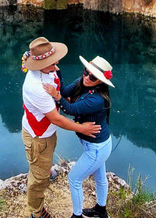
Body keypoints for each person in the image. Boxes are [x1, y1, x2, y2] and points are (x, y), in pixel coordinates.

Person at [22, 37, 102, 218]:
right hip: (38, 135)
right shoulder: (35, 87)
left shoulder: (50, 71)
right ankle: (36, 211)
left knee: (47, 152)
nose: (57, 64)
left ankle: (44, 167)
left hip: (46, 131)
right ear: (40, 64)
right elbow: (57, 119)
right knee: (38, 178)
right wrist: (82, 128)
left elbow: (62, 91)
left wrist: (69, 99)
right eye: (52, 62)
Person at [43, 56, 114, 218]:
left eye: (93, 77)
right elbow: (65, 93)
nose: (87, 78)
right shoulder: (81, 82)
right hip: (98, 145)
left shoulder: (96, 100)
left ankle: (77, 216)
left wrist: (57, 96)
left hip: (97, 148)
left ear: (101, 81)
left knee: (74, 179)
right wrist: (57, 74)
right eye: (86, 72)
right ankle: (101, 211)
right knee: (100, 178)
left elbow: (70, 109)